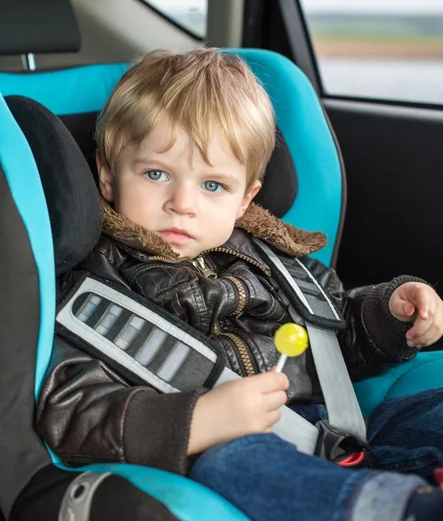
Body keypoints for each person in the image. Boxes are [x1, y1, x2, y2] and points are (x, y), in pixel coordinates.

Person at [36, 48, 443, 521]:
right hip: (224, 441)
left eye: (212, 186)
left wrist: (388, 314)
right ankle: (397, 510)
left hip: (338, 425)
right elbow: (69, 406)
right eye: (155, 174)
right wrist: (195, 422)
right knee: (234, 463)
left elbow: (338, 332)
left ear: (246, 196)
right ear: (107, 178)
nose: (182, 203)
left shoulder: (274, 258)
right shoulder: (94, 289)